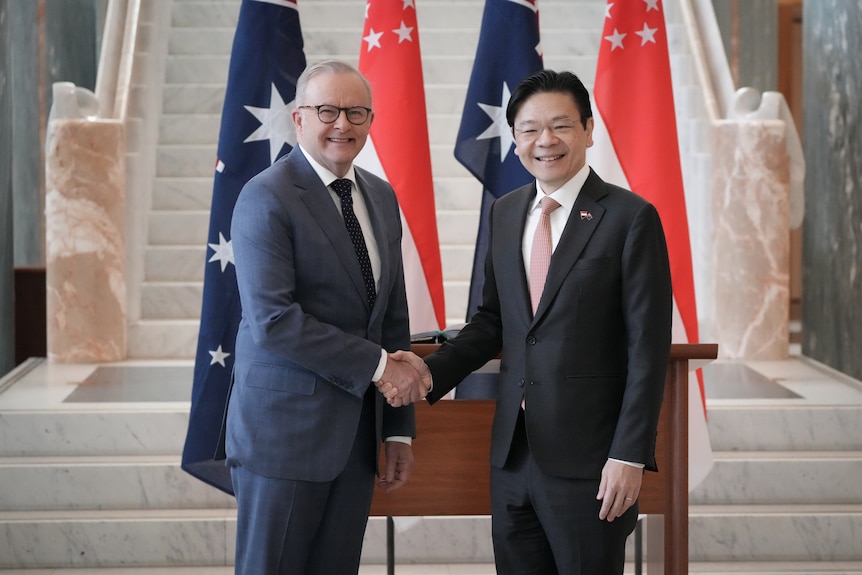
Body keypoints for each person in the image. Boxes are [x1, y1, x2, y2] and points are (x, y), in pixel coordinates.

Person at [384, 69, 673, 574]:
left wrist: (629, 455)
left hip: (593, 462)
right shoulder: (506, 212)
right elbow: (493, 321)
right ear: (515, 138)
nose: (546, 140)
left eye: (561, 125)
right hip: (513, 457)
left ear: (588, 129)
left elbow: (647, 349)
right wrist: (431, 371)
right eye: (530, 129)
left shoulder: (631, 218)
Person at [224, 60, 430, 575]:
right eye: (328, 111)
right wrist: (381, 368)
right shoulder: (266, 196)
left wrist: (398, 430)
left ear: (370, 120)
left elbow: (391, 316)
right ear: (299, 118)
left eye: (357, 112)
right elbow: (273, 320)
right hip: (283, 439)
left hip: (356, 441)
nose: (343, 124)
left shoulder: (380, 195)